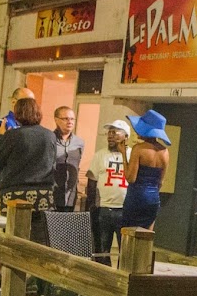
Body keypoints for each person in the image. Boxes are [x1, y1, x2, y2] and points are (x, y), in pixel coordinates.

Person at [0, 86, 35, 294]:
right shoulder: (5, 124)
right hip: (3, 183)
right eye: (25, 101)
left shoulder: (28, 127)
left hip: (20, 188)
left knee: (17, 234)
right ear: (14, 102)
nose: (30, 106)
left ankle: (9, 281)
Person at [0, 97, 56, 215]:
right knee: (38, 231)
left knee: (12, 231)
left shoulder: (13, 135)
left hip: (15, 193)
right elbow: (53, 163)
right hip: (43, 195)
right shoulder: (50, 136)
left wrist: (2, 136)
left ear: (17, 114)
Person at [86, 119, 131, 255]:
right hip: (104, 209)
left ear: (126, 136)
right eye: (109, 132)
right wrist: (92, 206)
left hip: (125, 209)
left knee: (125, 250)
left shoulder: (132, 154)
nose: (110, 135)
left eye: (115, 132)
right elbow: (92, 181)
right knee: (102, 248)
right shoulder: (100, 155)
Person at [121, 110, 171, 230]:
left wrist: (123, 154)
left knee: (129, 234)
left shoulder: (138, 148)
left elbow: (131, 178)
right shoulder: (165, 152)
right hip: (153, 199)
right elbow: (160, 182)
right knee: (146, 236)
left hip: (136, 197)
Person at [53, 106, 84, 212]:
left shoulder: (79, 143)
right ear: (56, 120)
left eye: (72, 119)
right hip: (52, 193)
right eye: (65, 119)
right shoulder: (49, 140)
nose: (69, 122)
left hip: (70, 195)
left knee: (66, 226)